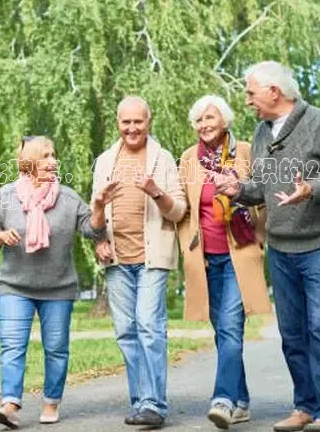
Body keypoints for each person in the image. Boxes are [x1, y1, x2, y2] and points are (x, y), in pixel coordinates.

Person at [217, 61, 320, 432]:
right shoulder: (263, 132)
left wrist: (313, 188)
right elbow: (261, 187)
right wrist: (239, 190)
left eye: (251, 93)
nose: (248, 100)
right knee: (293, 333)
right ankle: (305, 406)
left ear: (273, 92)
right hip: (281, 250)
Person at [0, 136, 121, 429]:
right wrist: (1, 236)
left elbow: (92, 231)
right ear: (30, 162)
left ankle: (51, 402)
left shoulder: (67, 198)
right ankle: (9, 405)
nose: (53, 161)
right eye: (46, 156)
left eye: (54, 155)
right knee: (12, 346)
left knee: (56, 347)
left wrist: (97, 207)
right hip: (14, 286)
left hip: (58, 288)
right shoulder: (7, 196)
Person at [177, 95, 272, 429]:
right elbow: (183, 207)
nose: (204, 124)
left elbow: (264, 192)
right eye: (199, 120)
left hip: (239, 252)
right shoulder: (189, 159)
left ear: (225, 120)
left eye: (210, 117)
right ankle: (242, 398)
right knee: (223, 332)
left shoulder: (245, 151)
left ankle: (223, 399)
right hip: (205, 258)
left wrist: (261, 234)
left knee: (231, 327)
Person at [92, 96, 187, 427]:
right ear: (118, 122)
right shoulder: (105, 160)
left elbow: (179, 211)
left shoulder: (162, 160)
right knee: (126, 331)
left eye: (138, 122)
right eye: (126, 122)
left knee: (149, 326)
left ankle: (154, 405)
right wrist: (99, 240)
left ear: (149, 122)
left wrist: (156, 192)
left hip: (152, 257)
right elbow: (96, 212)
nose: (132, 128)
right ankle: (141, 401)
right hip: (116, 259)